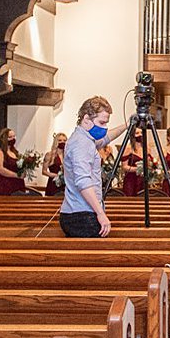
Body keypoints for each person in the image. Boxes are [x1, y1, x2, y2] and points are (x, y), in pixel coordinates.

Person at [58, 96, 127, 237]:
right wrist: (100, 213)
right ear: (86, 119)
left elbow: (105, 138)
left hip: (80, 211)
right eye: (101, 123)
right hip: (81, 214)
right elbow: (83, 182)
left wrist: (127, 125)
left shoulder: (84, 138)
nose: (104, 127)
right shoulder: (81, 143)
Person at [0, 127, 28, 196]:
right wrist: (17, 175)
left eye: (14, 136)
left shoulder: (15, 152)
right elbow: (0, 169)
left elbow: (19, 166)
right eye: (10, 137)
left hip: (18, 186)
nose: (13, 139)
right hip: (4, 186)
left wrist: (24, 168)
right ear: (3, 138)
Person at [44, 131, 68, 197]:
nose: (62, 142)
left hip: (66, 185)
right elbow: (44, 171)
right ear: (56, 142)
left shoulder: (68, 156)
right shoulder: (50, 155)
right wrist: (56, 176)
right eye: (60, 140)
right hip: (53, 183)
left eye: (64, 140)